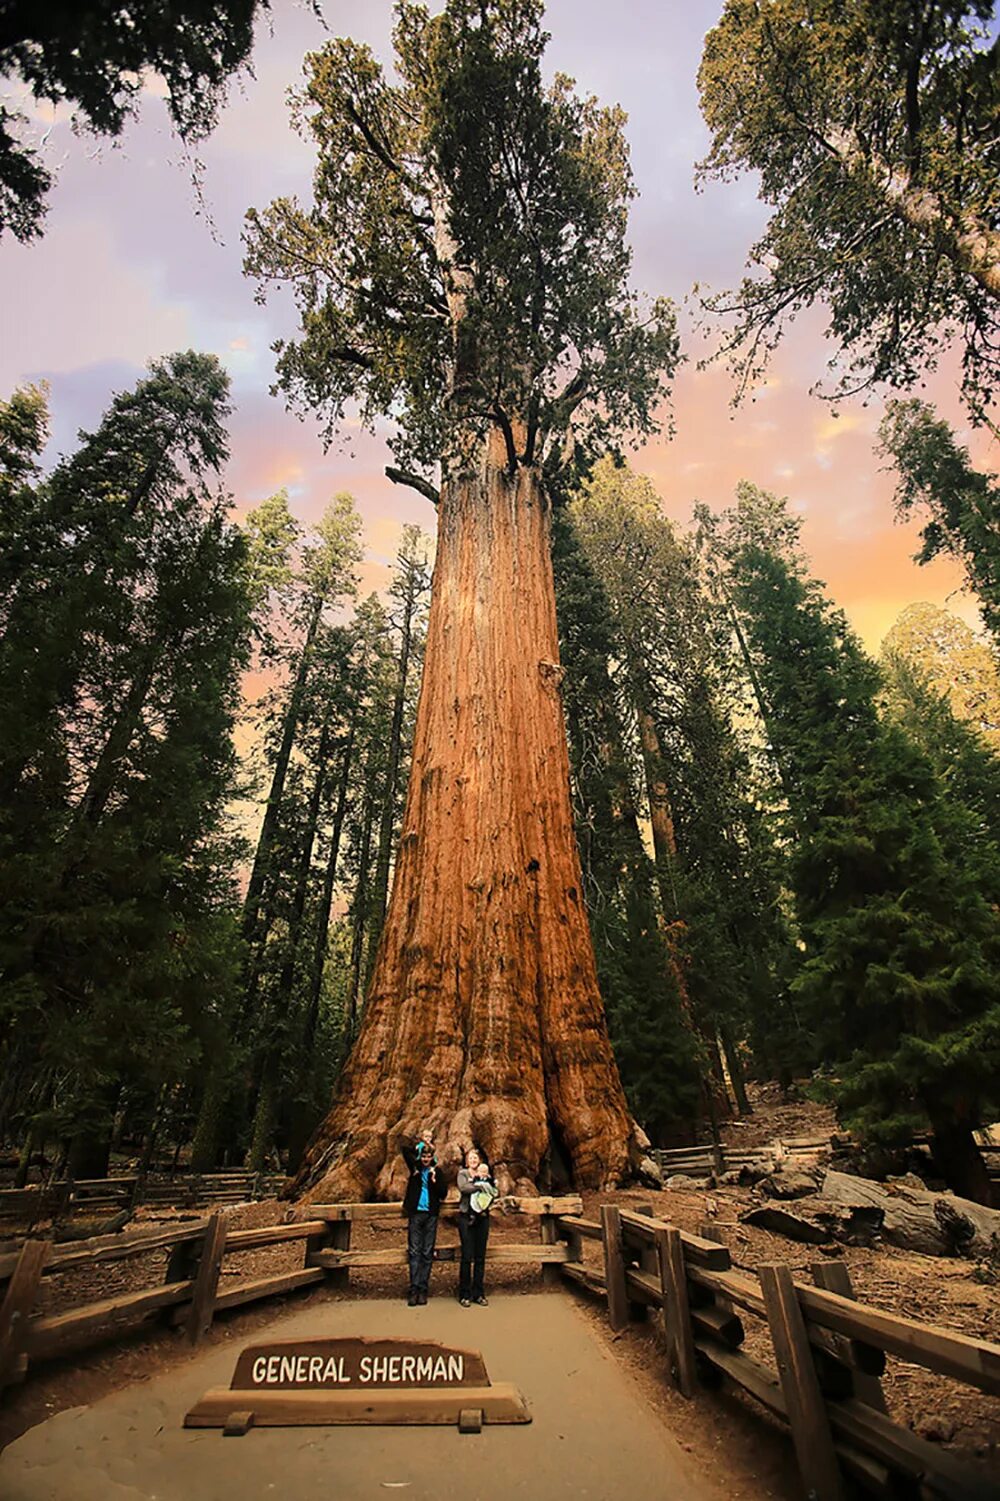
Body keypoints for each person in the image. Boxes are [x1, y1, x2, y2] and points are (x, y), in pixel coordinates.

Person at [401, 1129, 447, 1305]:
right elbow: (404, 1148)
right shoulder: (416, 1170)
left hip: (431, 1215)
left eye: (429, 1157)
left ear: (432, 1158)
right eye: (424, 1157)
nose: (426, 1160)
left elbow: (443, 1193)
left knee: (427, 1253)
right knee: (414, 1252)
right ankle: (413, 1288)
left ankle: (423, 1289)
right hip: (416, 1215)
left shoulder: (437, 1172)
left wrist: (435, 1182)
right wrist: (421, 1143)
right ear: (421, 1157)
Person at [456, 1146, 497, 1307]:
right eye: (470, 1158)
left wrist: (488, 1185)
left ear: (479, 1160)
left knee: (480, 1256)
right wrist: (481, 1185)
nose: (473, 1161)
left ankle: (478, 1293)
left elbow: (493, 1191)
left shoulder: (485, 1173)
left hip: (483, 1218)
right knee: (467, 1256)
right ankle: (464, 1293)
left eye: (475, 1158)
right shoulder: (463, 1174)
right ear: (467, 1161)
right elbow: (464, 1188)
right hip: (466, 1218)